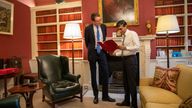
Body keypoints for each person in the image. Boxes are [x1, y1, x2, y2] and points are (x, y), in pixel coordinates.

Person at [84, 13, 115, 104]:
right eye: (97, 21)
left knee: (105, 73)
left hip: (102, 52)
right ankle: (96, 96)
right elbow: (87, 42)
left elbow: (103, 39)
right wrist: (92, 49)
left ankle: (105, 96)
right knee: (93, 75)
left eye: (100, 20)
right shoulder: (88, 29)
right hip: (92, 53)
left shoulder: (104, 27)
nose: (99, 22)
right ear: (93, 21)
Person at [113, 20, 140, 108]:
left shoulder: (133, 33)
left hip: (131, 60)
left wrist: (125, 47)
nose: (120, 30)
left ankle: (134, 104)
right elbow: (123, 51)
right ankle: (127, 101)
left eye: (121, 28)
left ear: (125, 26)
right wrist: (114, 54)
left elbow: (137, 46)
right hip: (124, 60)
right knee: (125, 82)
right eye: (119, 29)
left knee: (132, 83)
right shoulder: (123, 36)